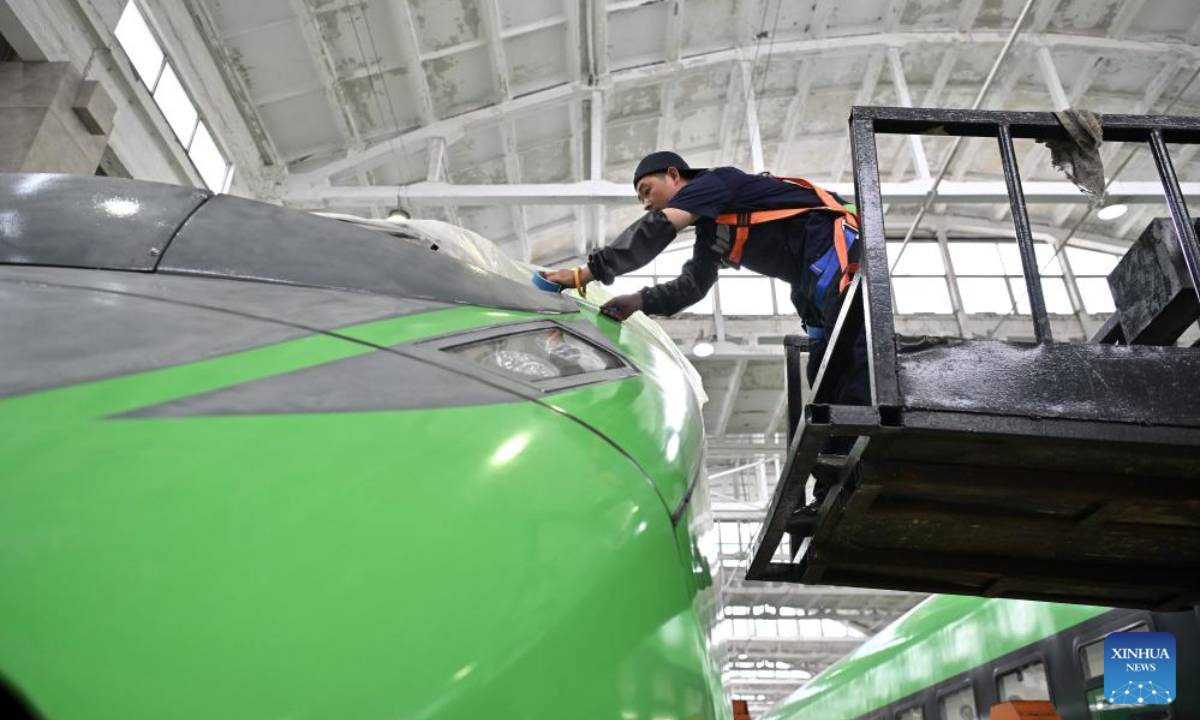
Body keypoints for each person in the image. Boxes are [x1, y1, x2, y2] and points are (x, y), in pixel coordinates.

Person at [543, 151, 870, 512]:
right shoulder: (714, 231)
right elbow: (693, 286)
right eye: (640, 198)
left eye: (647, 190)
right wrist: (639, 300)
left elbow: (656, 230)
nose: (646, 203)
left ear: (674, 175)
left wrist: (583, 275)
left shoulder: (716, 183)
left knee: (848, 356)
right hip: (809, 278)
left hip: (833, 243)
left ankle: (863, 469)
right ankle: (834, 491)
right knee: (823, 374)